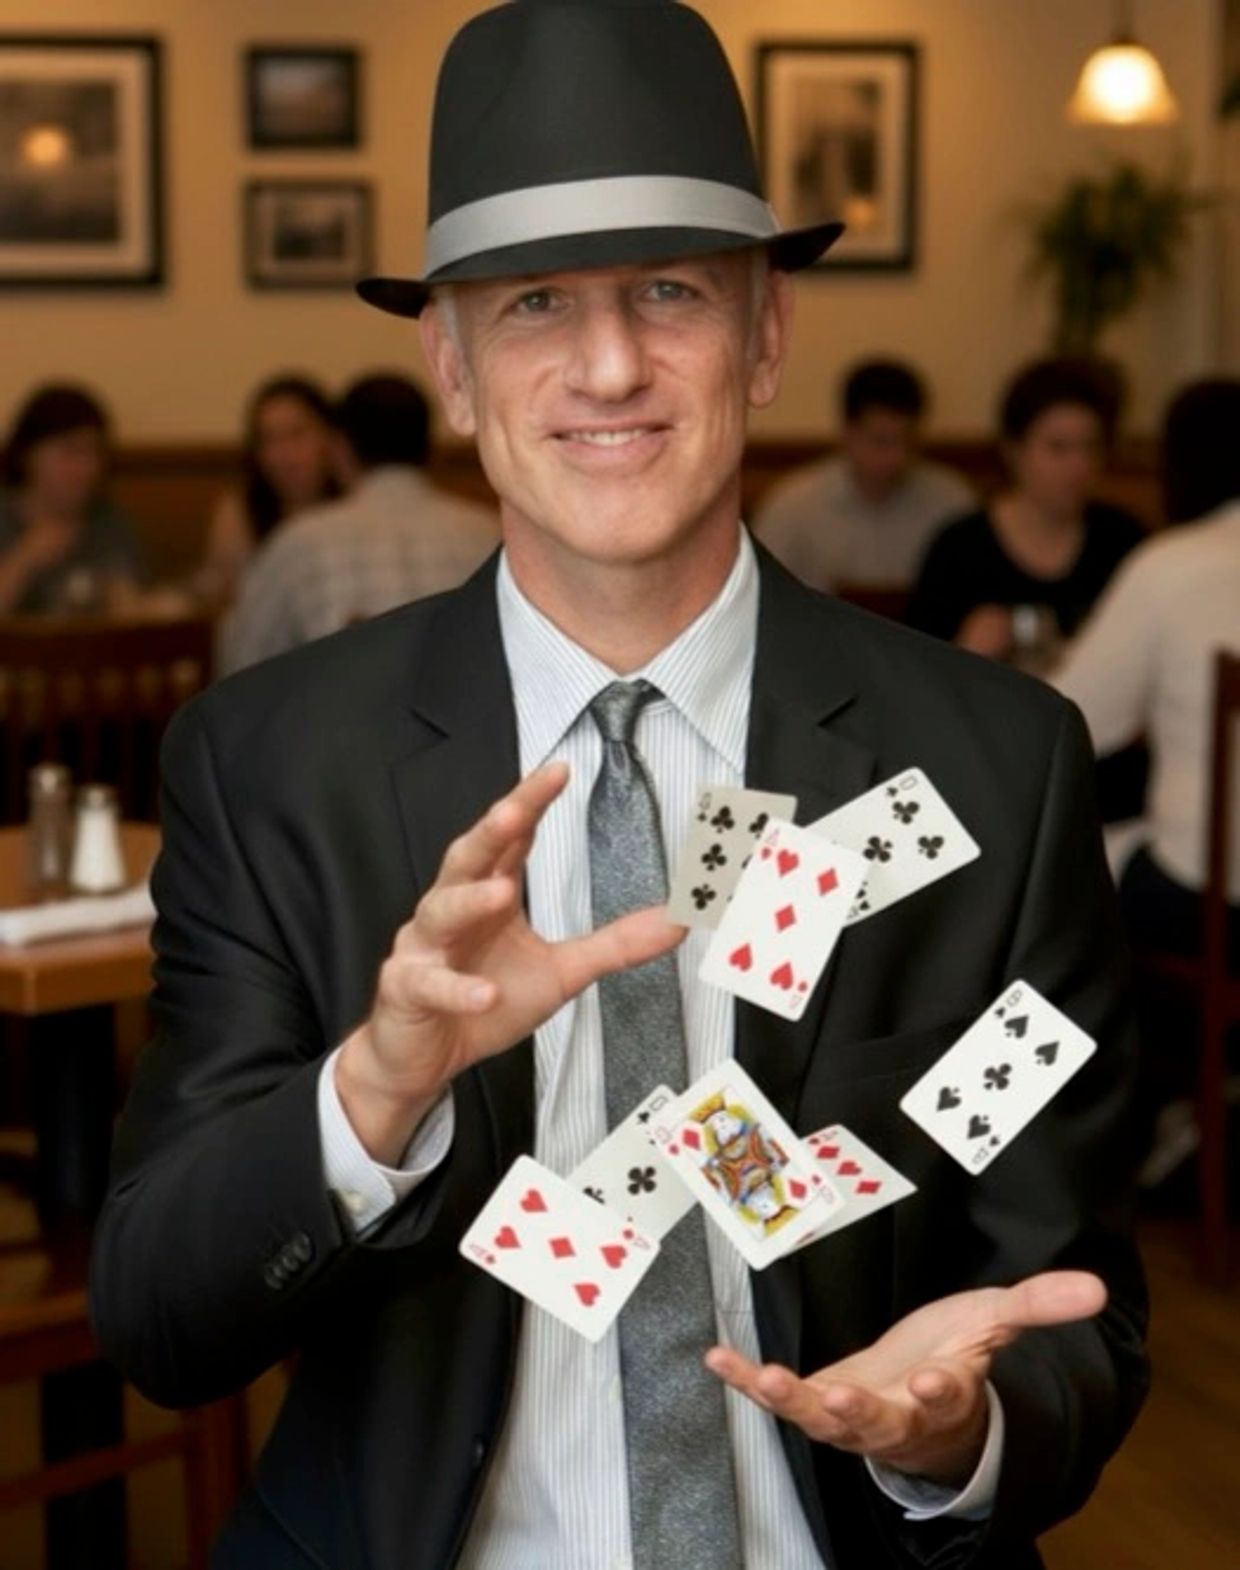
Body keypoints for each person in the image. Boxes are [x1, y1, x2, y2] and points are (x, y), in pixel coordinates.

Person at [91, 5, 1147, 1568]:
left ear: (767, 332)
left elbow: (1074, 1310)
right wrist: (375, 1089)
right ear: (450, 365)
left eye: (669, 292)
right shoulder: (269, 763)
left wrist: (956, 1429)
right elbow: (161, 1320)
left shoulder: (997, 764)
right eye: (534, 306)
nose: (608, 366)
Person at [1052, 377, 1240, 1168]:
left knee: (1062, 881)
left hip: (1215, 895)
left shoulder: (1171, 566)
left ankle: (1108, 1136)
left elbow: (1070, 719)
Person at [216, 372, 496, 674]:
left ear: (340, 448)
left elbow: (239, 664)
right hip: (474, 715)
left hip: (337, 716)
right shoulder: (490, 532)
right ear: (430, 447)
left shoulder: (299, 541)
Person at [906, 357, 1145, 662]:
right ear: (1013, 450)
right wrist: (965, 652)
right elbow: (916, 672)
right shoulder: (959, 548)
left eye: (1091, 447)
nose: (1079, 467)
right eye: (1058, 448)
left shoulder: (1121, 539)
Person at [755, 358, 973, 592]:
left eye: (909, 442)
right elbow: (760, 594)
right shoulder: (793, 508)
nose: (897, 457)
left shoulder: (952, 503)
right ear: (848, 432)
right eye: (881, 442)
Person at [0, 383, 148, 615]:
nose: (88, 468)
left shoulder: (109, 522)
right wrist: (25, 560)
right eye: (70, 451)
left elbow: (134, 612)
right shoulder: (5, 518)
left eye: (95, 452)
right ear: (27, 455)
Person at [193, 374, 340, 608]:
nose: (283, 454)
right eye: (268, 439)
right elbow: (217, 602)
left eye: (297, 434)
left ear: (330, 438)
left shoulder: (356, 507)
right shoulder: (241, 513)